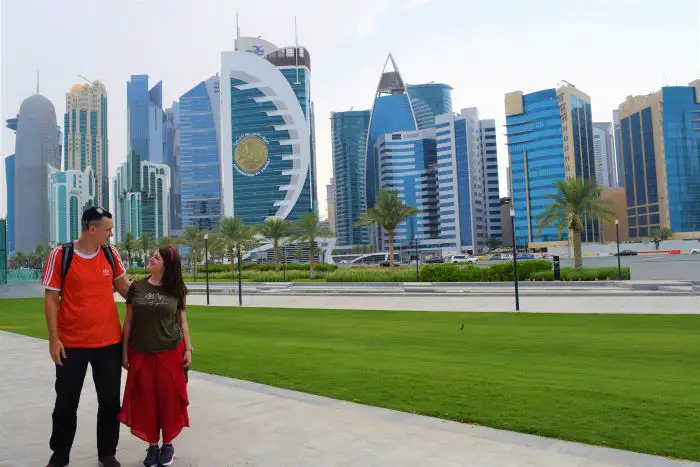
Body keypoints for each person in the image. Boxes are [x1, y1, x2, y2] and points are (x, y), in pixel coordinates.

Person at [42, 207, 130, 467]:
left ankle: (107, 452)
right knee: (66, 403)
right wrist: (53, 340)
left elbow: (125, 289)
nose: (111, 234)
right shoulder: (62, 254)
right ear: (92, 229)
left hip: (109, 344)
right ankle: (60, 455)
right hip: (72, 345)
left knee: (111, 402)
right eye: (108, 229)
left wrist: (157, 294)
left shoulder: (110, 254)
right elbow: (50, 299)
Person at [118, 246, 192, 467]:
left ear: (166, 265)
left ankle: (168, 446)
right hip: (140, 352)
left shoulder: (176, 290)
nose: (151, 258)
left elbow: (182, 322)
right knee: (145, 401)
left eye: (157, 257)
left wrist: (188, 348)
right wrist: (124, 352)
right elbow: (129, 320)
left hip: (170, 353)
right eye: (152, 255)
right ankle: (152, 446)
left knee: (168, 400)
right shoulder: (137, 287)